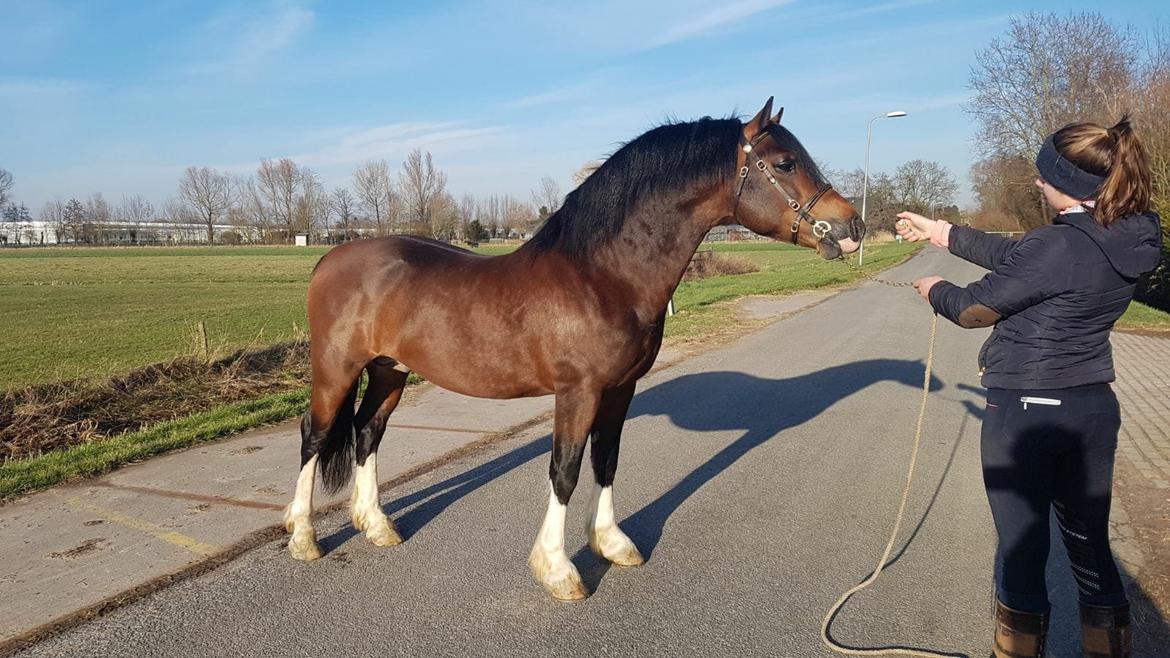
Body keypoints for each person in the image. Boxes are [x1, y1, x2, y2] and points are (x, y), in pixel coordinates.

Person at [895, 116, 1163, 658]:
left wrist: (934, 287)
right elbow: (1020, 257)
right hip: (1093, 407)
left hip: (1027, 411)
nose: (1037, 184)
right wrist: (938, 231)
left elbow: (973, 309)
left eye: (1043, 176)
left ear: (1067, 183)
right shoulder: (1125, 233)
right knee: (1089, 547)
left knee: (1022, 548)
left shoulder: (1059, 246)